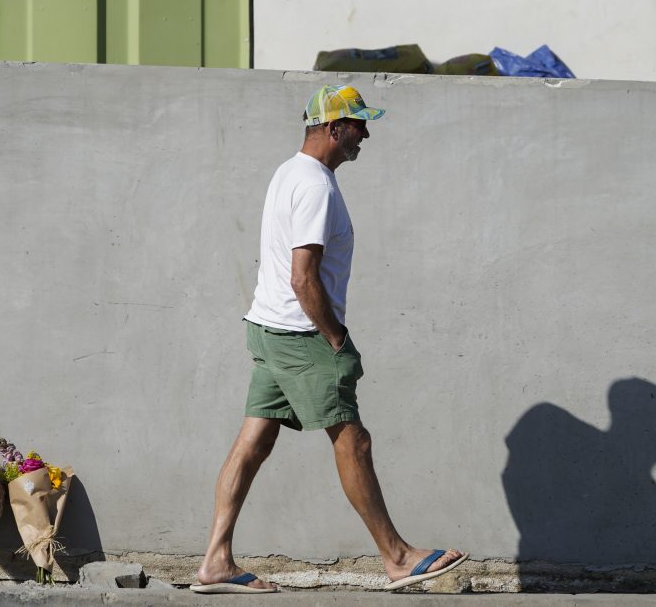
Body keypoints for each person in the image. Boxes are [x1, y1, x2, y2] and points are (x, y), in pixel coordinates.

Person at [191, 85, 468, 594]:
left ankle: (215, 561)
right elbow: (303, 277)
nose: (366, 134)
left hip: (269, 328)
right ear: (333, 127)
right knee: (352, 439)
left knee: (253, 442)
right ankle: (397, 557)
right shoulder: (315, 185)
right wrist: (337, 339)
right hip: (302, 336)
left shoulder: (289, 172)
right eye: (359, 124)